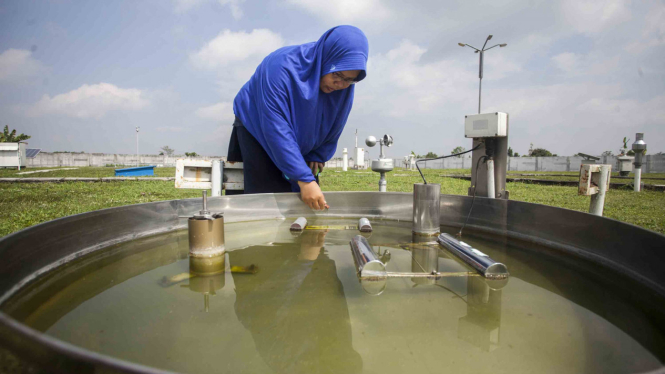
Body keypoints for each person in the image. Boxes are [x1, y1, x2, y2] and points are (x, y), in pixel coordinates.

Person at [227, 25, 369, 210]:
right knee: (264, 203)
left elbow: (337, 120)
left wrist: (318, 153)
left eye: (350, 80)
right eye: (337, 74)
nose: (341, 84)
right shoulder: (280, 67)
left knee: (305, 203)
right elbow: (275, 127)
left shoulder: (344, 85)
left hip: (299, 139)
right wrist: (303, 178)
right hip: (258, 130)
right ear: (325, 58)